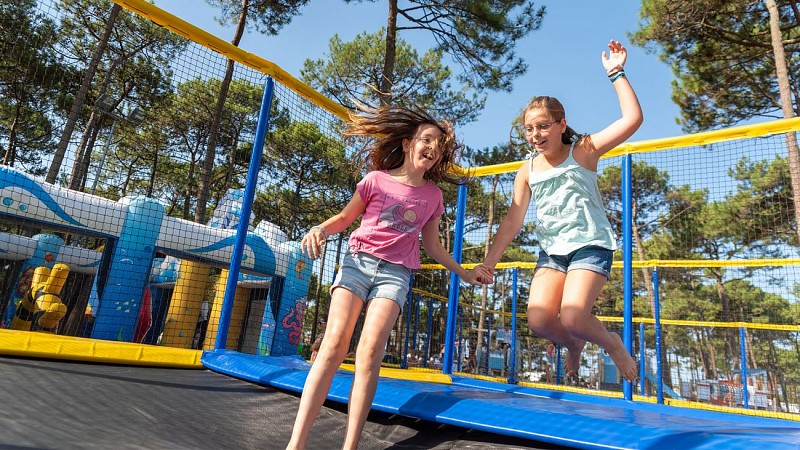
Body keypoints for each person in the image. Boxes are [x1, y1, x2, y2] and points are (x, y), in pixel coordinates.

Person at [286, 105, 490, 450]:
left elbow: (434, 247)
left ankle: (349, 446)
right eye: (427, 140)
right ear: (410, 143)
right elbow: (344, 217)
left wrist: (465, 272)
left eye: (438, 145)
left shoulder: (432, 196)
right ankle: (297, 443)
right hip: (358, 263)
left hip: (395, 274)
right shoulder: (375, 180)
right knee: (334, 345)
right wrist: (320, 228)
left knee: (369, 353)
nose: (433, 148)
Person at [481, 40, 642, 383]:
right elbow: (512, 220)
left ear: (560, 124)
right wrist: (490, 262)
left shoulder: (583, 150)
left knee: (572, 315)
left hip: (589, 245)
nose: (535, 134)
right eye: (529, 128)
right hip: (552, 253)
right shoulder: (527, 170)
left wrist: (617, 73)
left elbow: (633, 119)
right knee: (540, 321)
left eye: (542, 125)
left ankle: (612, 343)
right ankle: (573, 345)